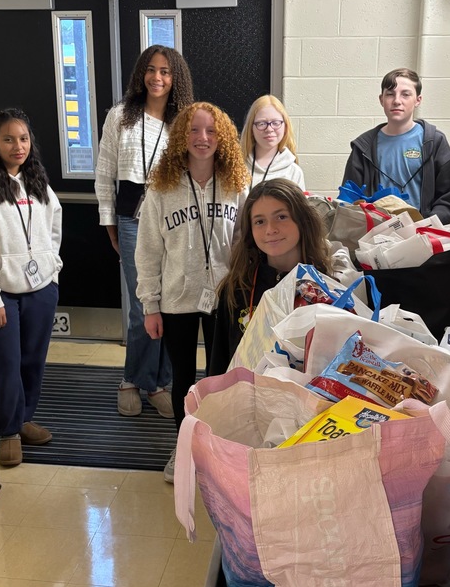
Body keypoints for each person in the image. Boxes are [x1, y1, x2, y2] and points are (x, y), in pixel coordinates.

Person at [136, 102, 249, 481]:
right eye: (194, 131)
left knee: (218, 377)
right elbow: (148, 250)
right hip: (176, 299)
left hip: (223, 299)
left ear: (224, 139)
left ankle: (214, 447)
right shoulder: (161, 188)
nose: (203, 139)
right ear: (181, 138)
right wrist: (150, 305)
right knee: (182, 377)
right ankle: (183, 449)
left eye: (211, 132)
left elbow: (245, 244)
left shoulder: (236, 185)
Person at [94, 45, 194, 419]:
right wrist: (108, 221)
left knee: (170, 306)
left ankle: (159, 382)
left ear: (175, 77)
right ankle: (132, 381)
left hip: (172, 219)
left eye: (166, 71)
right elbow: (105, 172)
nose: (157, 77)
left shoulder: (183, 121)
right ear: (141, 74)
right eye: (151, 70)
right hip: (131, 218)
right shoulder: (120, 116)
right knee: (143, 306)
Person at [0, 108, 63, 468]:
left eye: (23, 138)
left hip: (41, 288)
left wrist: (52, 271)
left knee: (32, 361)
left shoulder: (36, 180)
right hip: (4, 294)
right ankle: (8, 432)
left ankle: (24, 419)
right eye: (8, 139)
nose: (17, 146)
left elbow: (54, 224)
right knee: (6, 363)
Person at [209, 178, 332, 376]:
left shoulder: (325, 288)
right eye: (259, 221)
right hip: (247, 399)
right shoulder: (238, 289)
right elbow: (220, 361)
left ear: (302, 220)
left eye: (281, 217)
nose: (270, 229)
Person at [342, 68, 450, 224]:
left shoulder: (435, 142)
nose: (397, 100)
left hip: (423, 233)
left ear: (418, 100)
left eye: (406, 94)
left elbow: (446, 200)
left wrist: (425, 225)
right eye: (390, 94)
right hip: (376, 234)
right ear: (381, 99)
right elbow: (351, 200)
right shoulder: (363, 147)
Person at [240, 94, 305, 190]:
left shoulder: (293, 172)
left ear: (285, 127)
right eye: (261, 123)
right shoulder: (237, 167)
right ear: (251, 129)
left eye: (276, 123)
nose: (269, 129)